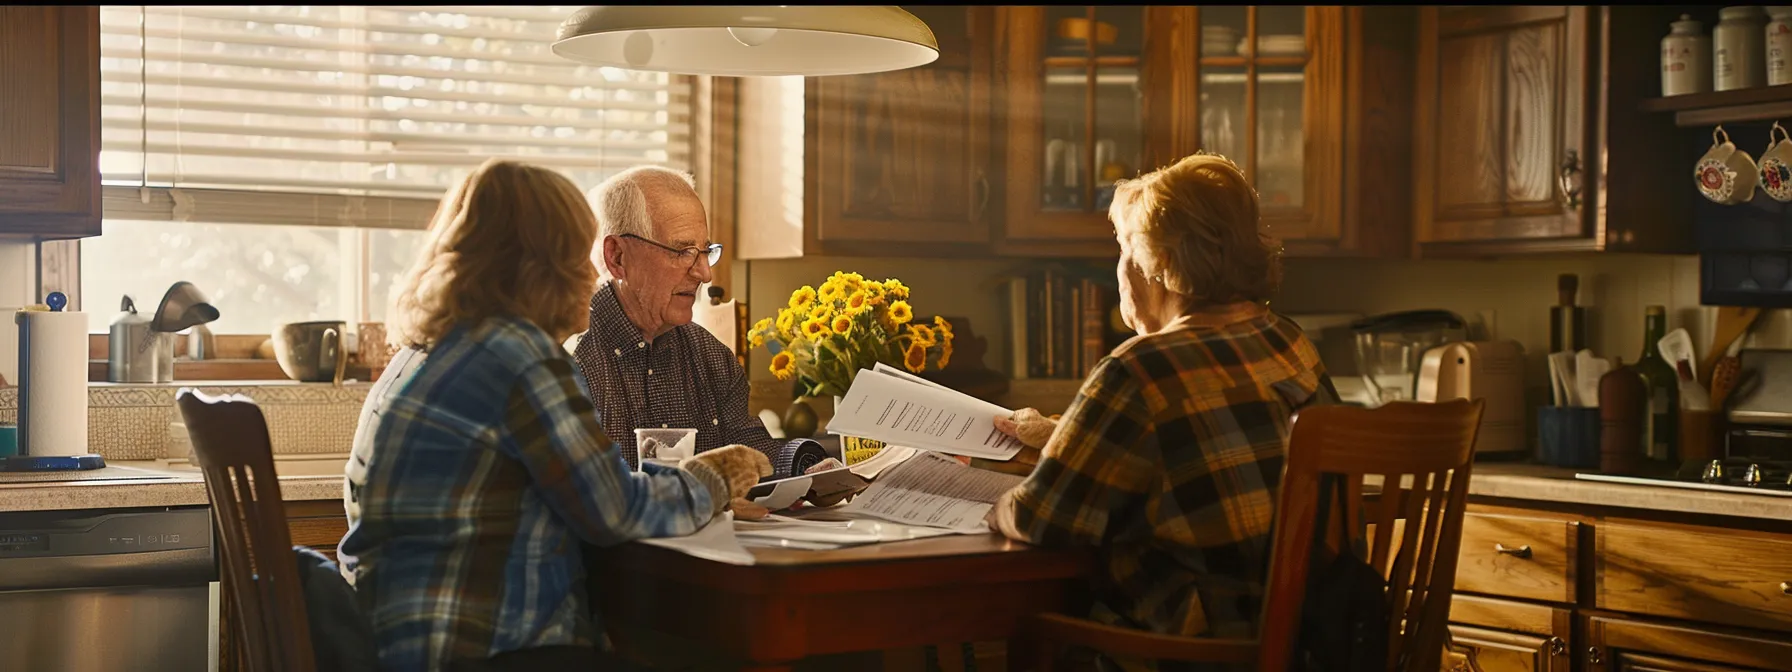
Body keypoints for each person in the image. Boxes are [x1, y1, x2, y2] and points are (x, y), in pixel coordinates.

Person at [339, 158, 771, 672]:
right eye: (576, 255)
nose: (590, 274)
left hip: (399, 647)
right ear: (540, 264)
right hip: (487, 651)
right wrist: (714, 478)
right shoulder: (518, 357)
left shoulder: (425, 349)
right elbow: (616, 509)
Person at [990, 153, 1336, 667]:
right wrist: (1059, 433)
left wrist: (990, 505)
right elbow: (1199, 433)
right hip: (1316, 643)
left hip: (1191, 654)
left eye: (1124, 249)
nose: (1120, 270)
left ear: (1159, 264)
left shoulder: (1140, 368)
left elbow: (1041, 520)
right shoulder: (1287, 342)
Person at [573, 166, 845, 484]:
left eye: (705, 252)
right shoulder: (568, 361)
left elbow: (750, 453)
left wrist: (805, 469)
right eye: (683, 251)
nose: (705, 274)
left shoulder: (710, 355)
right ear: (617, 256)